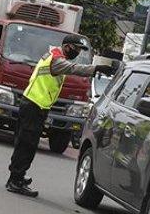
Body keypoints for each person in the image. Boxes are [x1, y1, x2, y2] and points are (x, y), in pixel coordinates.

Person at [6, 34, 116, 197]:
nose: (77, 52)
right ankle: (15, 180)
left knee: (26, 143)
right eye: (76, 49)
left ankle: (17, 176)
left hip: (35, 105)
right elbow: (73, 69)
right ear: (67, 47)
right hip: (34, 105)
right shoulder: (57, 60)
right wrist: (96, 69)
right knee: (27, 145)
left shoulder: (53, 55)